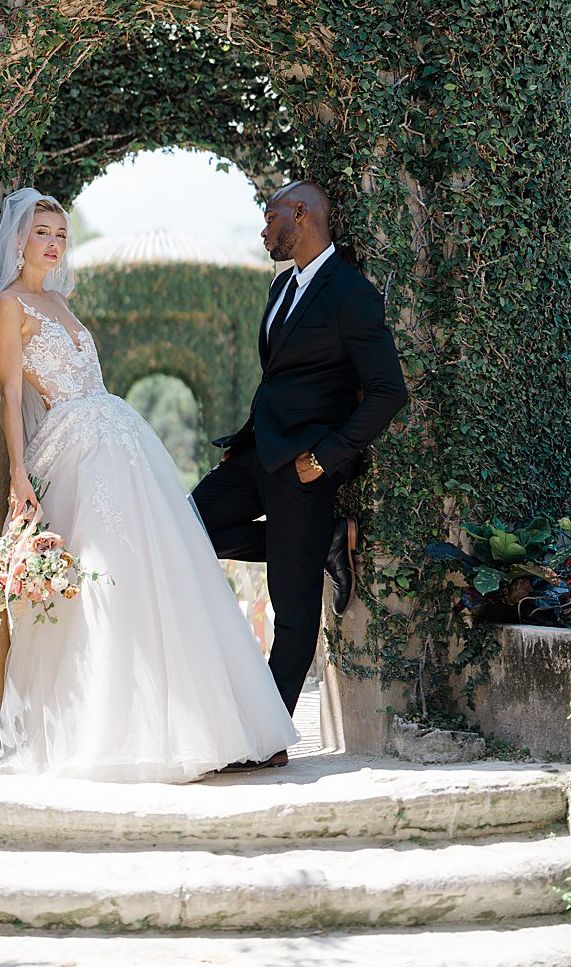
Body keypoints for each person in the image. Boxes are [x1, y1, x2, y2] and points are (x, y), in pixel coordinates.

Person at [0, 187, 297, 782]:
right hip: (75, 450)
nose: (52, 245)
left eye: (60, 235)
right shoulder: (11, 305)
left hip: (121, 442)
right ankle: (115, 732)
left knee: (167, 572)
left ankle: (214, 726)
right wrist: (18, 473)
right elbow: (9, 392)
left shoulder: (63, 304)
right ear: (19, 240)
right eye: (42, 233)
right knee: (107, 580)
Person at [191, 180, 409, 751]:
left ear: (302, 214)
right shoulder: (280, 286)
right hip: (255, 454)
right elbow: (279, 378)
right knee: (186, 527)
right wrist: (245, 440)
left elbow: (388, 392)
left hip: (306, 469)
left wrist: (330, 455)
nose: (264, 231)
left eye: (270, 218)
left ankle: (266, 738)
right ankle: (325, 541)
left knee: (292, 610)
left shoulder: (350, 294)